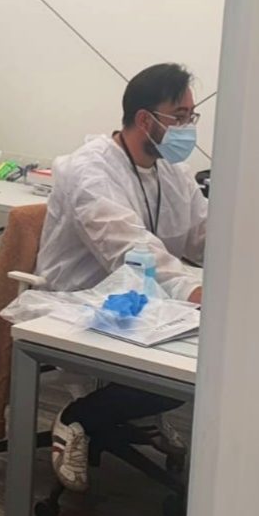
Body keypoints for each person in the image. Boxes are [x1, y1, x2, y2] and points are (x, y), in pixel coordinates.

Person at [36, 63, 207, 492]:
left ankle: (125, 409)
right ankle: (79, 418)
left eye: (192, 116)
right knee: (188, 369)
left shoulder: (172, 172)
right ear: (146, 120)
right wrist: (193, 289)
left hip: (145, 304)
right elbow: (131, 250)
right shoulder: (88, 170)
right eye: (180, 117)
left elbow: (204, 233)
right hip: (81, 304)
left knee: (205, 359)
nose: (189, 128)